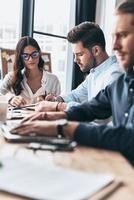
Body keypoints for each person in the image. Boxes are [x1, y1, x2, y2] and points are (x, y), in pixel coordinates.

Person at [11, 1, 134, 163]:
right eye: (113, 37)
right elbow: (92, 107)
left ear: (95, 50)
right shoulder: (121, 81)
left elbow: (125, 136)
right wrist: (52, 114)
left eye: (123, 35)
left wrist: (62, 126)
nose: (115, 46)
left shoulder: (115, 75)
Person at [35, 21, 123, 112]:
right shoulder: (95, 73)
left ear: (96, 50)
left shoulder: (115, 75)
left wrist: (59, 106)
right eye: (74, 55)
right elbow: (76, 95)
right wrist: (57, 99)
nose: (75, 60)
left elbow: (100, 113)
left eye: (80, 54)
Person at [0, 36, 61, 107]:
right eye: (25, 56)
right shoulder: (11, 77)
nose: (31, 59)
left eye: (34, 54)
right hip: (18, 118)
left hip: (43, 117)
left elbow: (58, 105)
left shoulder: (53, 80)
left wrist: (52, 102)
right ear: (20, 58)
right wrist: (10, 99)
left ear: (39, 54)